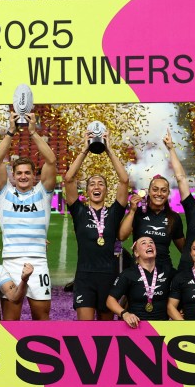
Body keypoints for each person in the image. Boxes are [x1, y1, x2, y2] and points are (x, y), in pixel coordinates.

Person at [0, 112, 58, 321]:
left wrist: (33, 133)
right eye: (18, 172)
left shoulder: (42, 192)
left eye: (27, 173)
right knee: (11, 321)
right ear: (13, 174)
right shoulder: (4, 192)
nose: (22, 176)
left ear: (34, 175)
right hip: (10, 262)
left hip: (38, 262)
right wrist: (11, 131)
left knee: (41, 318)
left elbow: (52, 160)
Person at [63, 127, 130, 321]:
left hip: (108, 276)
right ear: (87, 191)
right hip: (84, 277)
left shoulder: (114, 212)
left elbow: (124, 180)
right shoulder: (80, 211)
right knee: (85, 329)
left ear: (106, 190)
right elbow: (68, 179)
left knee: (106, 329)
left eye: (101, 183)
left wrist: (108, 149)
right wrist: (85, 149)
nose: (96, 186)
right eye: (92, 184)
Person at [119, 133, 185, 275]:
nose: (159, 194)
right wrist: (131, 211)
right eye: (155, 190)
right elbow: (122, 236)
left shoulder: (174, 218)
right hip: (139, 272)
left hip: (164, 272)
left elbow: (184, 250)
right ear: (148, 192)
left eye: (163, 191)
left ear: (168, 194)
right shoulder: (138, 212)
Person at [106, 236, 172, 327]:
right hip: (136, 326)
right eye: (144, 243)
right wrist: (125, 314)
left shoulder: (168, 271)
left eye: (151, 242)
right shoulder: (128, 274)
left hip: (162, 326)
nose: (149, 245)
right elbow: (110, 301)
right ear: (136, 253)